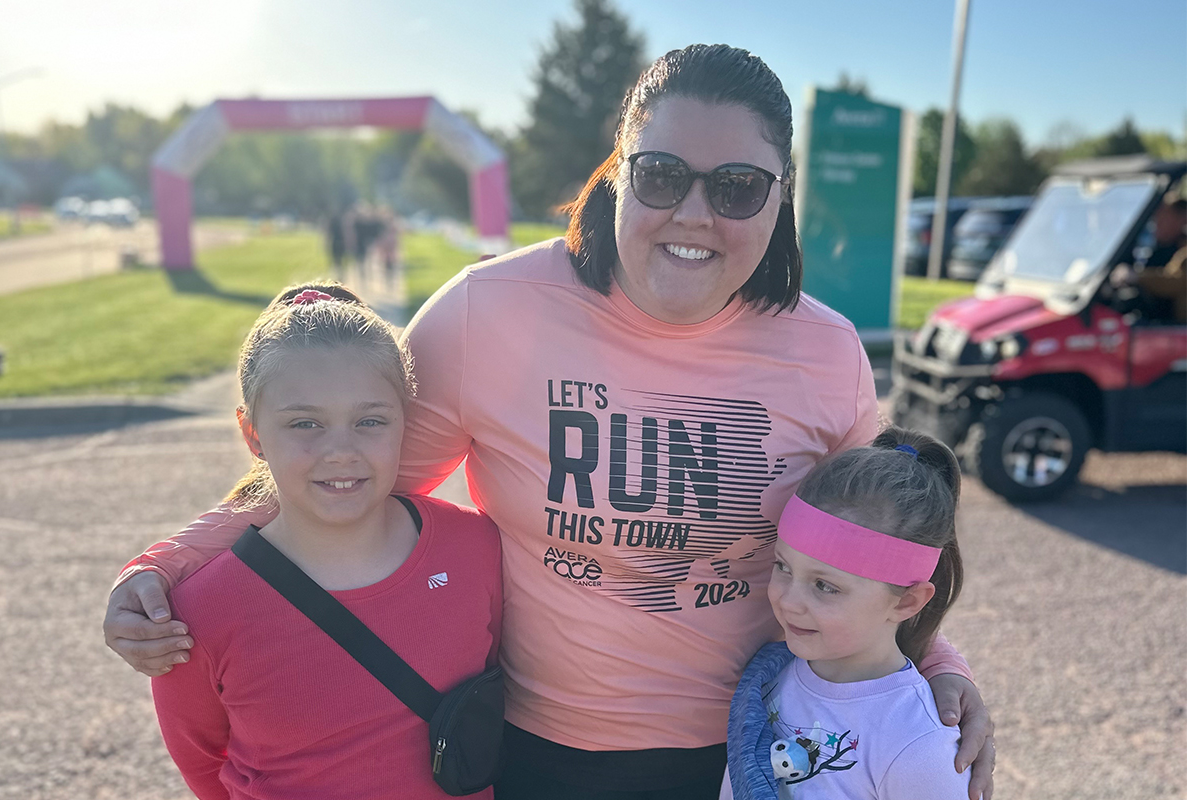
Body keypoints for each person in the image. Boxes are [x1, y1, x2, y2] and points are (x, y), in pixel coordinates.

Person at [104, 45, 996, 800]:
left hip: (752, 752)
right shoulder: (491, 310)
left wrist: (937, 672)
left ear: (781, 196)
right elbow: (345, 477)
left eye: (736, 186)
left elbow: (870, 550)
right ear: (617, 170)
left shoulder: (827, 352)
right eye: (661, 175)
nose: (694, 213)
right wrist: (169, 562)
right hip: (534, 753)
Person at [149, 282, 502, 799]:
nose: (340, 451)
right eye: (305, 423)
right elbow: (204, 765)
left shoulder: (475, 548)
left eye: (369, 421)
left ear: (406, 421)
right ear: (253, 435)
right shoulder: (197, 608)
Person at [722, 428, 970, 799]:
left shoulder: (918, 745)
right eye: (783, 567)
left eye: (825, 586)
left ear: (907, 601)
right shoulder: (768, 678)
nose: (788, 601)